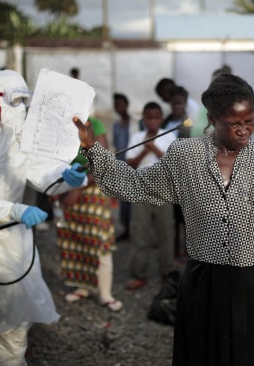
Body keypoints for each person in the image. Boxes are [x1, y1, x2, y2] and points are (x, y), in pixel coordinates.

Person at [73, 73, 254, 366]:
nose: (245, 131)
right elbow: (136, 184)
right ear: (213, 118)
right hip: (203, 286)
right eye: (236, 124)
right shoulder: (185, 156)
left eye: (249, 121)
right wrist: (93, 150)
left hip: (253, 287)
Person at [0, 69, 87, 366]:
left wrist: (66, 178)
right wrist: (13, 211)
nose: (19, 109)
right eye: (14, 101)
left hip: (18, 239)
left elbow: (39, 174)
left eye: (24, 102)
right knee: (3, 318)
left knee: (16, 312)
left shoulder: (18, 138)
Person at [57, 115, 123, 312]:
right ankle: (84, 286)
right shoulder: (58, 125)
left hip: (91, 188)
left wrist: (78, 187)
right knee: (75, 238)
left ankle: (105, 293)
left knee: (98, 239)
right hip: (66, 189)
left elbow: (103, 164)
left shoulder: (93, 124)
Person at [124, 102, 177, 291]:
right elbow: (130, 162)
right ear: (144, 119)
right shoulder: (137, 137)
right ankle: (139, 273)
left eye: (156, 117)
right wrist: (145, 148)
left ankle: (167, 272)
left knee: (165, 231)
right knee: (140, 230)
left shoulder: (168, 136)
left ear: (161, 119)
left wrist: (153, 147)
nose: (153, 121)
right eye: (149, 117)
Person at [111, 93, 139, 240]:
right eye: (116, 105)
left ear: (127, 104)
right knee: (124, 201)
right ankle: (127, 229)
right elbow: (116, 147)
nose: (119, 108)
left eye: (121, 104)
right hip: (122, 167)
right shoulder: (116, 125)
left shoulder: (135, 123)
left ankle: (138, 231)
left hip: (134, 166)